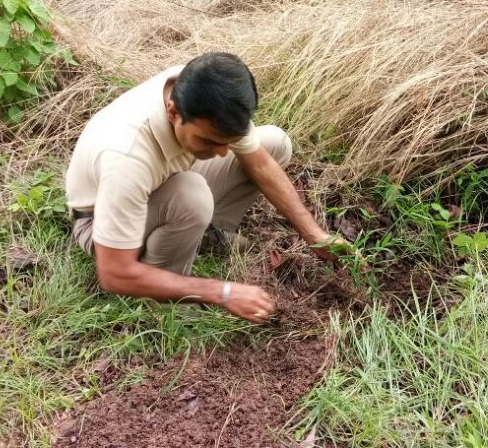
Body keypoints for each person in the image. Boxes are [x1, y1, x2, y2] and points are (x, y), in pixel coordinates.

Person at [65, 52, 350, 324]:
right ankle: (165, 304)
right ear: (173, 112)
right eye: (210, 141)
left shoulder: (206, 95)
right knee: (190, 196)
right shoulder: (126, 157)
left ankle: (203, 234)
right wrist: (222, 292)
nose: (223, 152)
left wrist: (316, 236)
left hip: (163, 183)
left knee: (274, 144)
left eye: (229, 140)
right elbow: (114, 273)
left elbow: (261, 165)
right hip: (97, 222)